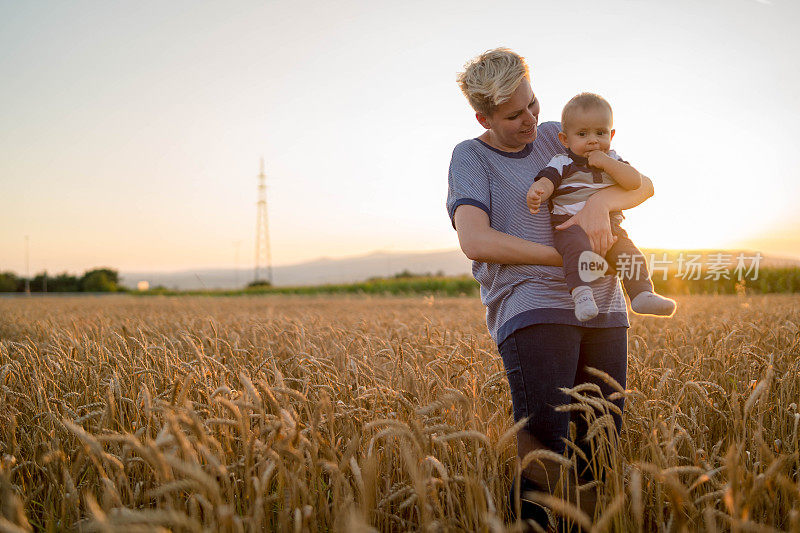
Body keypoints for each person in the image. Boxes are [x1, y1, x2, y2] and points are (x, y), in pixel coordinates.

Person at [447, 48, 655, 530]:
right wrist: (567, 257)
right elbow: (474, 240)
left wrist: (600, 204)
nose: (530, 121)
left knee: (600, 443)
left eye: (533, 104)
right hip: (533, 308)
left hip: (603, 305)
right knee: (546, 447)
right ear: (483, 117)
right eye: (514, 115)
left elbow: (642, 186)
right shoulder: (470, 157)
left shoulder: (554, 137)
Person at [526, 92, 676, 322]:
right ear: (565, 140)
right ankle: (582, 294)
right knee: (575, 250)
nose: (593, 140)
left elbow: (635, 182)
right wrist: (539, 191)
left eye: (600, 133)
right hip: (569, 226)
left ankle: (641, 293)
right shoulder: (562, 162)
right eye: (583, 134)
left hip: (610, 228)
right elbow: (547, 181)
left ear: (611, 135)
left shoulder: (614, 160)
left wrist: (607, 163)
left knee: (629, 253)